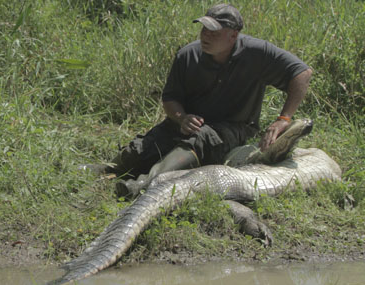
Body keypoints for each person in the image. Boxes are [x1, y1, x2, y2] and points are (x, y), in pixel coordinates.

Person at [79, 4, 313, 199]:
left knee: (200, 138)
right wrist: (181, 118)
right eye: (204, 29)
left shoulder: (257, 52)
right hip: (186, 122)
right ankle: (111, 168)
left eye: (214, 32)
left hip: (233, 128)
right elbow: (170, 98)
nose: (205, 36)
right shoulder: (187, 55)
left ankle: (144, 185)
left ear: (233, 35)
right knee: (139, 150)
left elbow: (302, 73)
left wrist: (283, 119)